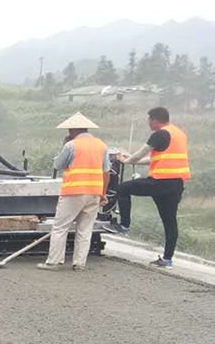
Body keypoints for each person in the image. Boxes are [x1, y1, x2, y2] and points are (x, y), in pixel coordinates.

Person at [114, 106, 190, 268]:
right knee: (170, 221)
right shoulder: (179, 134)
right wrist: (132, 160)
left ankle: (124, 226)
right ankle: (167, 259)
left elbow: (141, 153)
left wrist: (125, 160)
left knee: (122, 188)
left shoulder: (160, 134)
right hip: (176, 184)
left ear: (155, 120)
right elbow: (156, 159)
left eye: (149, 120)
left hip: (160, 183)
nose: (148, 123)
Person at [37, 113, 110, 271]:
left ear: (72, 130)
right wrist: (103, 193)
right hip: (94, 193)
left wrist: (64, 145)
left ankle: (54, 262)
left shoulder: (71, 145)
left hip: (74, 192)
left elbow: (57, 165)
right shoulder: (102, 145)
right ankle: (79, 264)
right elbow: (106, 172)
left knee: (60, 227)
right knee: (85, 229)